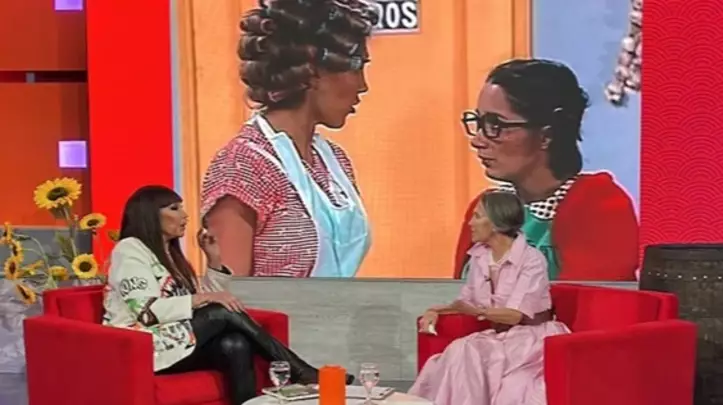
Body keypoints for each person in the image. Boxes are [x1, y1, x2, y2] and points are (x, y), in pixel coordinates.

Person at [102, 186, 351, 405]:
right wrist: (203, 300)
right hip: (143, 346)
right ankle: (300, 371)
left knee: (235, 343)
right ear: (149, 215)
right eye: (174, 209)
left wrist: (214, 259)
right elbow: (146, 312)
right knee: (220, 312)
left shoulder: (169, 254)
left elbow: (198, 301)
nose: (185, 216)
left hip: (174, 339)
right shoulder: (130, 249)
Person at [200, 0, 379, 278]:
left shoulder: (335, 162)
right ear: (314, 71)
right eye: (357, 68)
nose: (363, 86)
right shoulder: (243, 166)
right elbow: (226, 294)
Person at [455, 58, 639, 281]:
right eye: (479, 122)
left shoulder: (599, 206)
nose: (477, 140)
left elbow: (592, 298)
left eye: (496, 125)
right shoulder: (486, 208)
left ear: (546, 135)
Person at [410, 189, 570, 405]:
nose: (470, 223)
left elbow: (515, 315)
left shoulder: (532, 259)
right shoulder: (480, 256)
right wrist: (435, 311)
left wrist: (477, 312)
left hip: (532, 340)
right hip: (500, 337)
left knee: (479, 360)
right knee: (461, 350)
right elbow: (466, 302)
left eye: (477, 216)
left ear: (495, 223)